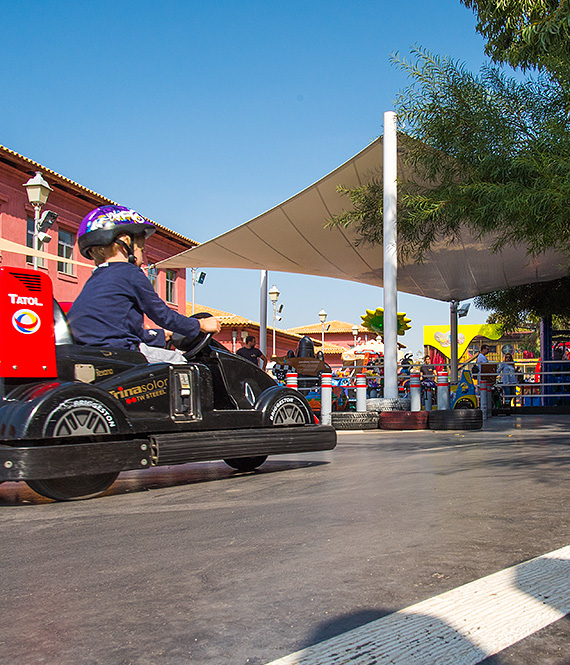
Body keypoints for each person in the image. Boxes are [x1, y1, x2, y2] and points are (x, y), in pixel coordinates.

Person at [67, 205, 221, 363]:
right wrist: (200, 325)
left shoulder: (96, 279)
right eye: (142, 249)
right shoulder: (129, 273)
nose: (143, 253)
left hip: (93, 354)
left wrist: (163, 335)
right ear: (125, 242)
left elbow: (114, 331)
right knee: (183, 364)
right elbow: (162, 314)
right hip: (121, 353)